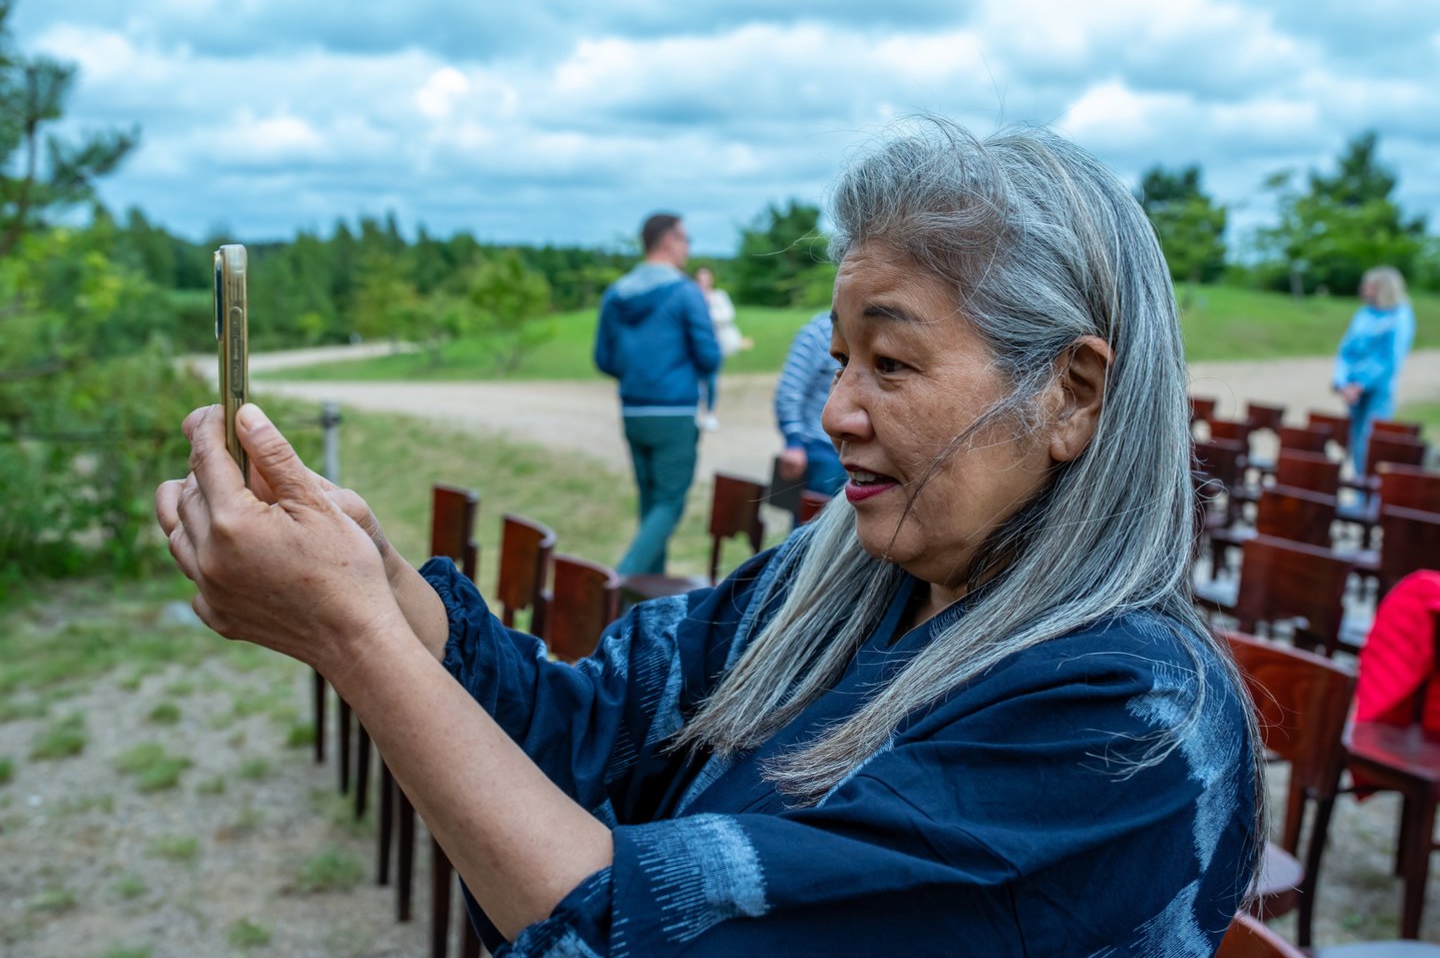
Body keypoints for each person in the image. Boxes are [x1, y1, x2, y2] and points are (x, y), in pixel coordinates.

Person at [155, 120, 1261, 956]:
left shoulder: (1128, 726)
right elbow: (581, 729)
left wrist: (356, 638)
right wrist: (374, 575)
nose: (835, 410)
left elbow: (645, 935)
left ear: (1072, 394)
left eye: (891, 363)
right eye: (839, 358)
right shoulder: (836, 583)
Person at [593, 213, 722, 574]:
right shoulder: (685, 292)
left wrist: (638, 375)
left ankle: (642, 597)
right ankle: (616, 584)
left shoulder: (616, 294)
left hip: (633, 411)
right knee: (669, 503)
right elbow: (710, 356)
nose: (688, 248)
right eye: (686, 239)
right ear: (668, 241)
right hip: (674, 412)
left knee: (651, 506)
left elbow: (603, 358)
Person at [1332, 265, 1416, 473]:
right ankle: (1359, 482)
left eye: (1368, 286)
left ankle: (1367, 488)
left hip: (1379, 389)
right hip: (1353, 388)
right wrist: (1342, 381)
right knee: (1354, 437)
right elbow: (1346, 350)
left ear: (1383, 288)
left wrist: (1360, 384)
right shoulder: (1364, 313)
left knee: (1371, 441)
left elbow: (1390, 358)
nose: (1363, 289)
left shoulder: (1400, 316)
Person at [774, 310, 847, 496]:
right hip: (820, 449)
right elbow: (790, 390)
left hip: (857, 451)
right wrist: (794, 442)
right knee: (814, 513)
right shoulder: (820, 331)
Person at [694, 266, 748, 431]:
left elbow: (728, 315)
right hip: (695, 347)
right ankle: (696, 413)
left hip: (716, 346)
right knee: (696, 382)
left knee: (711, 381)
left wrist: (708, 312)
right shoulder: (693, 297)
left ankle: (710, 413)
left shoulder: (719, 296)